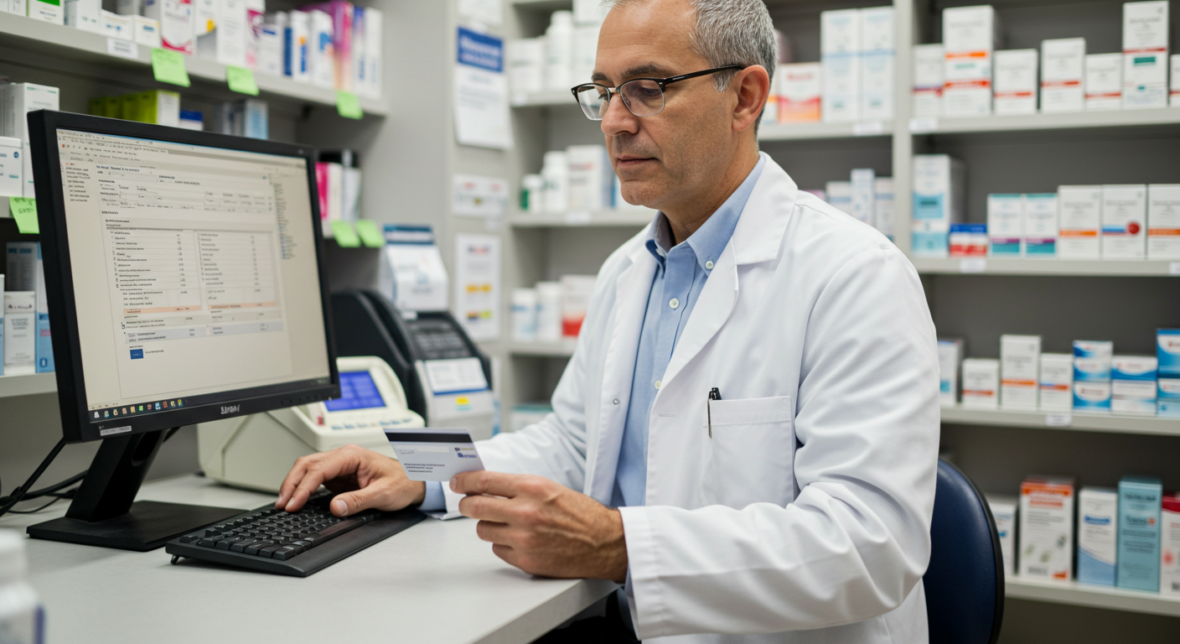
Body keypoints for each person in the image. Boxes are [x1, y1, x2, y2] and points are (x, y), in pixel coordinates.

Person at [276, 0, 940, 641]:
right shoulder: (629, 269)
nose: (615, 122)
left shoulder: (854, 276)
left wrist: (618, 545)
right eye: (603, 91)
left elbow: (869, 545)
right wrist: (419, 471)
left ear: (745, 97)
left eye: (648, 89)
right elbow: (572, 446)